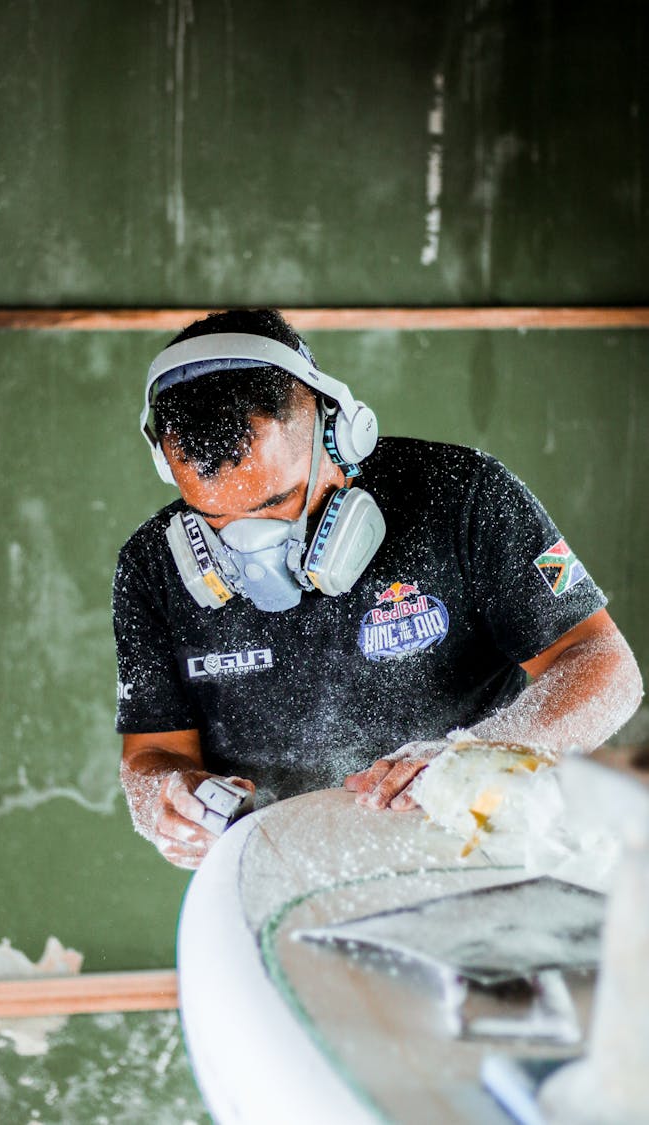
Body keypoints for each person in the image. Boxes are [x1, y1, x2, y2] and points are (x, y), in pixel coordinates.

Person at [113, 308, 642, 869]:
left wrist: (480, 754)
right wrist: (165, 798)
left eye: (275, 503)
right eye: (216, 517)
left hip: (488, 854)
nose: (251, 544)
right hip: (287, 877)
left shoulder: (464, 497)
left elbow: (605, 667)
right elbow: (156, 753)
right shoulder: (152, 567)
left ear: (336, 434)